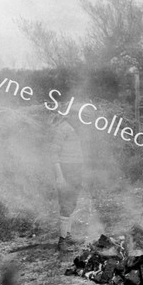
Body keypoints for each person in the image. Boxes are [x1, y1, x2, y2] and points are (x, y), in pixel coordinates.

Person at [50, 103, 89, 252]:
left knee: (72, 203)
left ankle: (68, 234)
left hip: (75, 170)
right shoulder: (62, 129)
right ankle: (62, 240)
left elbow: (77, 154)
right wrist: (60, 176)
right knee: (66, 204)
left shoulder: (76, 129)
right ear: (71, 115)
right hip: (65, 170)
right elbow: (54, 155)